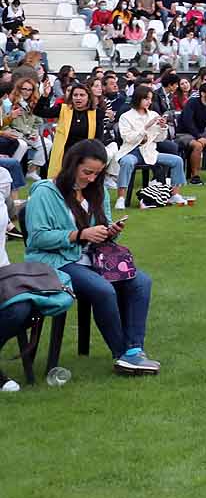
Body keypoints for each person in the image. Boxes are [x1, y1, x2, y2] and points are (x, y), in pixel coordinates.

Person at [23, 140, 161, 374]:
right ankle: (121, 354)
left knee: (141, 282)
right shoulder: (45, 192)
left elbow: (102, 231)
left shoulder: (97, 191)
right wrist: (78, 234)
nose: (92, 179)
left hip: (93, 259)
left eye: (97, 174)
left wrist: (110, 232)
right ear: (72, 165)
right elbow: (37, 239)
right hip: (56, 261)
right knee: (103, 289)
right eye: (87, 172)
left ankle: (134, 350)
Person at [114, 86, 189, 207]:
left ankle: (175, 194)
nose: (149, 102)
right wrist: (146, 127)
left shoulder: (153, 114)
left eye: (150, 99)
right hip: (131, 151)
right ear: (138, 99)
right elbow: (128, 138)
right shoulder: (126, 117)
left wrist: (162, 127)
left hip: (149, 152)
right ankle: (121, 198)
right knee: (127, 162)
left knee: (177, 160)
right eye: (146, 99)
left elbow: (159, 139)